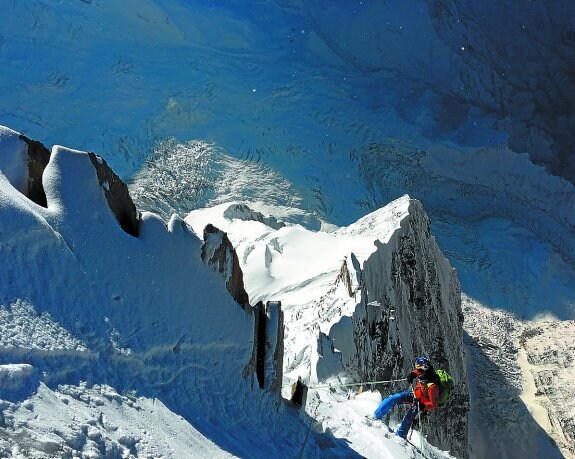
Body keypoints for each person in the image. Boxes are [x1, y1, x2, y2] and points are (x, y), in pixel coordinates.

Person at [373, 357, 440, 438]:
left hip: (420, 403)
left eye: (419, 367)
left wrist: (422, 406)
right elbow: (417, 371)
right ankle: (376, 415)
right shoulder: (425, 373)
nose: (418, 369)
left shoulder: (433, 386)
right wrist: (412, 374)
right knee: (394, 398)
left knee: (409, 417)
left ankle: (401, 435)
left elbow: (434, 403)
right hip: (414, 395)